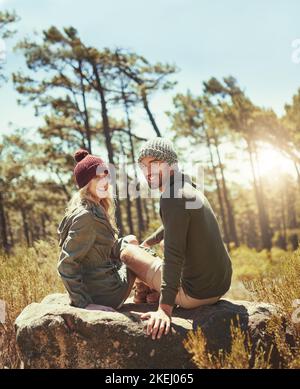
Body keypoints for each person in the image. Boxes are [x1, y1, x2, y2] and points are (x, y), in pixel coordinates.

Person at [119, 137, 232, 340]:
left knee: (128, 249)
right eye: (143, 166)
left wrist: (164, 309)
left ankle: (144, 295)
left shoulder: (171, 196)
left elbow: (173, 256)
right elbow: (175, 224)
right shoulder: (189, 189)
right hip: (219, 286)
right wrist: (150, 241)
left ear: (171, 164)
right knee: (145, 246)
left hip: (195, 294)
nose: (147, 172)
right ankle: (150, 293)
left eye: (154, 164)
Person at [57, 148, 139, 311]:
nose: (104, 181)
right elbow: (66, 264)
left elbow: (104, 248)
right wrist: (86, 304)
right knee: (139, 253)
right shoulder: (86, 216)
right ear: (85, 184)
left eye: (105, 175)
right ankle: (169, 295)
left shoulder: (94, 207)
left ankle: (144, 292)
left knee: (130, 240)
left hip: (101, 284)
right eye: (96, 177)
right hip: (107, 295)